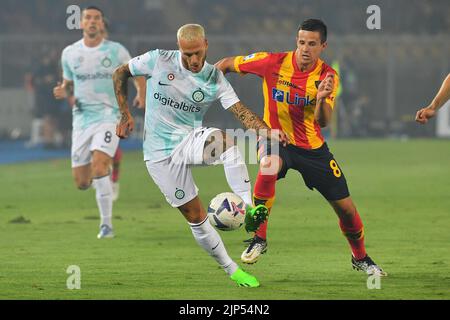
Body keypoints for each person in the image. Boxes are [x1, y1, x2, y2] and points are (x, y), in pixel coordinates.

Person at [113, 24, 287, 287]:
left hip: (189, 139)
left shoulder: (215, 78)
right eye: (187, 54)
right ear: (178, 48)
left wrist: (268, 131)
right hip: (159, 155)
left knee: (228, 144)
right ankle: (233, 270)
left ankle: (248, 208)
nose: (193, 60)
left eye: (197, 53)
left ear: (206, 45)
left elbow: (239, 111)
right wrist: (124, 113)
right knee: (196, 218)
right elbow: (120, 72)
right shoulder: (159, 59)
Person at [216, 18, 386, 276]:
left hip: (313, 150)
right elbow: (225, 64)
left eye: (312, 44)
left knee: (347, 210)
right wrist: (212, 88)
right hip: (275, 139)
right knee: (268, 164)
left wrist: (319, 99)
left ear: (323, 46)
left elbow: (324, 121)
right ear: (297, 41)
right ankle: (259, 238)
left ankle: (360, 257)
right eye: (301, 42)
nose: (305, 48)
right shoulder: (271, 62)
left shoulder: (327, 77)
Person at [53, 6, 145, 238]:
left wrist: (140, 93)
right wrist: (64, 91)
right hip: (82, 120)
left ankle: (106, 226)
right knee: (82, 182)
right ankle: (104, 171)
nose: (92, 21)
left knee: (99, 165)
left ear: (102, 24)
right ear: (81, 23)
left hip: (110, 115)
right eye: (88, 18)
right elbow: (69, 83)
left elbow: (136, 73)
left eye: (96, 18)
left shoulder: (116, 51)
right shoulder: (70, 53)